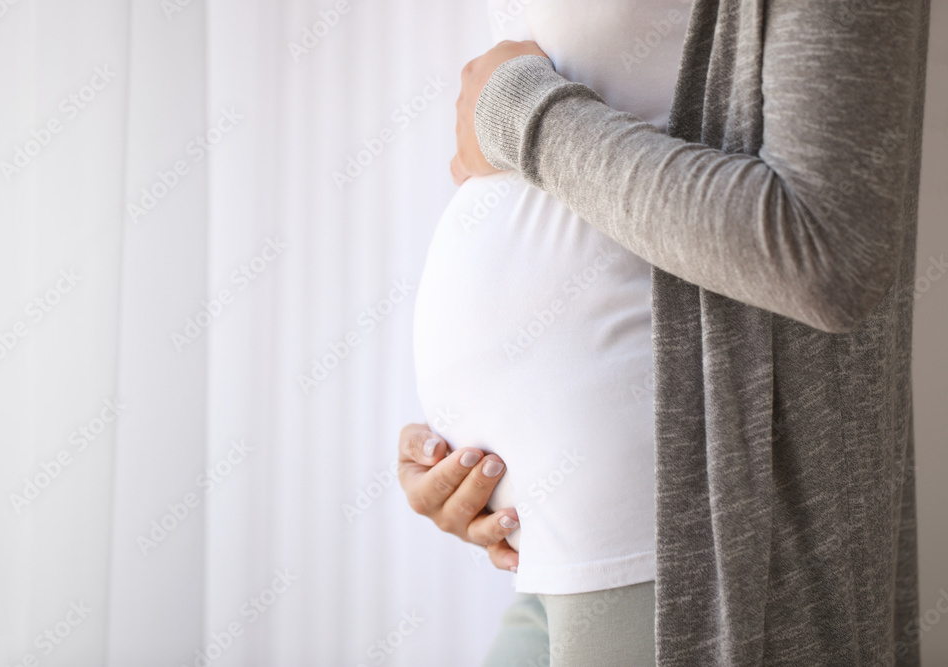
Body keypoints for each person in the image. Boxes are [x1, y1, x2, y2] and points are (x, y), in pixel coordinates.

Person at [399, 0, 932, 665]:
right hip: (544, 543)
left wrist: (520, 112)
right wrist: (473, 455)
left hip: (677, 537)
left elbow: (826, 251)